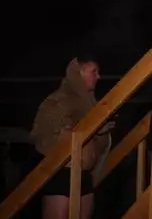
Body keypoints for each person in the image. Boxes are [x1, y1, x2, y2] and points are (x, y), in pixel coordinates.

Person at [30, 53, 114, 219]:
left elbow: (100, 145)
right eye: (94, 71)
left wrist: (102, 133)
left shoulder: (92, 105)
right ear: (79, 73)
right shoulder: (59, 100)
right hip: (62, 175)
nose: (98, 77)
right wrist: (80, 130)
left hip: (85, 175)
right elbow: (42, 135)